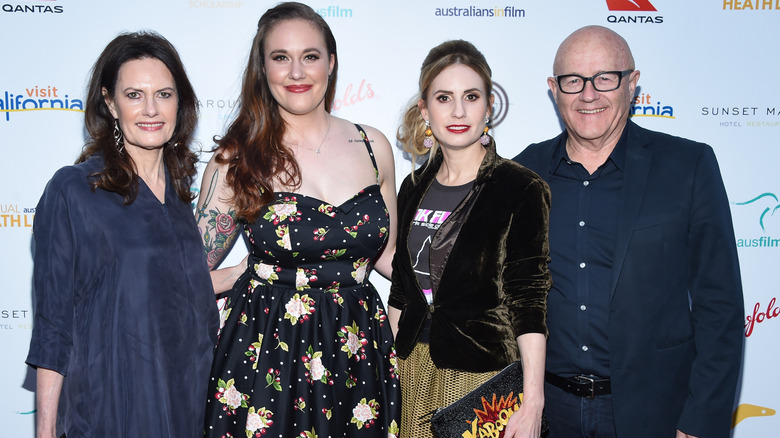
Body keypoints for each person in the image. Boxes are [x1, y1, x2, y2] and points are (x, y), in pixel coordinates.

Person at [514, 25, 744, 438]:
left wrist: (700, 421)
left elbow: (720, 306)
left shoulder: (688, 166)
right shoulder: (522, 173)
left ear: (632, 83)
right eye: (573, 81)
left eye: (605, 78)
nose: (588, 94)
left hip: (657, 415)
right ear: (553, 88)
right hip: (547, 415)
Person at [195, 2, 400, 437]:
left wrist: (459, 284)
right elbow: (185, 277)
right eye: (280, 57)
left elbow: (389, 257)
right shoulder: (238, 157)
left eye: (309, 56)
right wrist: (240, 274)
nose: (296, 72)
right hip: (268, 345)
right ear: (263, 68)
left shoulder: (373, 146)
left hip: (356, 344)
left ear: (331, 62)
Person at [25, 31, 219, 438]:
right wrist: (44, 431)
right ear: (110, 103)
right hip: (112, 409)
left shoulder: (180, 197)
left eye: (164, 94)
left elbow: (168, 293)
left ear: (180, 103)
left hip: (186, 406)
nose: (151, 109)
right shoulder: (75, 190)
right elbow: (53, 326)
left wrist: (252, 272)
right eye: (134, 95)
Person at [389, 40, 551, 438]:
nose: (458, 111)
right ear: (425, 110)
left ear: (489, 106)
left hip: (481, 378)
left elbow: (529, 300)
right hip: (411, 368)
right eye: (444, 98)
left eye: (471, 97)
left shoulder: (520, 188)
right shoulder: (413, 187)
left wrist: (533, 401)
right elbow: (401, 291)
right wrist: (387, 368)